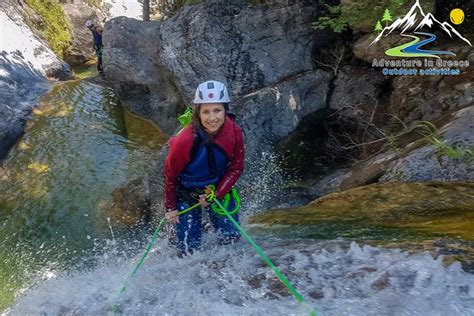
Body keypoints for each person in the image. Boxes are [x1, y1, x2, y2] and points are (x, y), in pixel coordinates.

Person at [163, 80, 245, 256]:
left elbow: (236, 168)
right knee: (187, 249)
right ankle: (189, 228)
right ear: (198, 113)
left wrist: (217, 194)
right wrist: (171, 208)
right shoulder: (184, 140)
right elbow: (170, 174)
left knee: (231, 237)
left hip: (216, 187)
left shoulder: (235, 132)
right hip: (186, 191)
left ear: (225, 110)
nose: (212, 118)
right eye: (206, 112)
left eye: (217, 110)